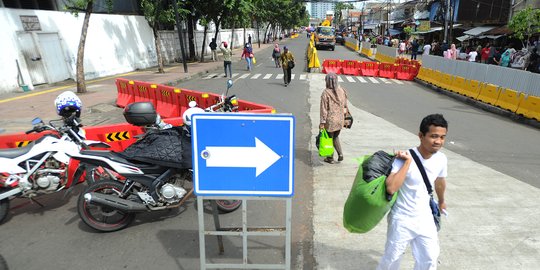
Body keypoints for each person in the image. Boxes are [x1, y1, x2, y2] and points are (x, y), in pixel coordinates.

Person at [377, 114, 448, 270]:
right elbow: (391, 187)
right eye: (434, 136)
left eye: (442, 137)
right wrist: (408, 162)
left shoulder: (441, 159)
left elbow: (440, 181)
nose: (438, 141)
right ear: (421, 136)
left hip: (425, 218)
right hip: (402, 218)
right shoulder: (403, 158)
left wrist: (441, 201)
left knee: (429, 259)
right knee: (392, 259)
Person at [319, 73, 349, 164]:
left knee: (329, 138)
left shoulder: (326, 92)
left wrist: (322, 122)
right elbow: (345, 106)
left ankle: (330, 158)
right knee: (336, 136)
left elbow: (323, 109)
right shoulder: (342, 90)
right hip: (340, 119)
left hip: (330, 120)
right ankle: (340, 154)